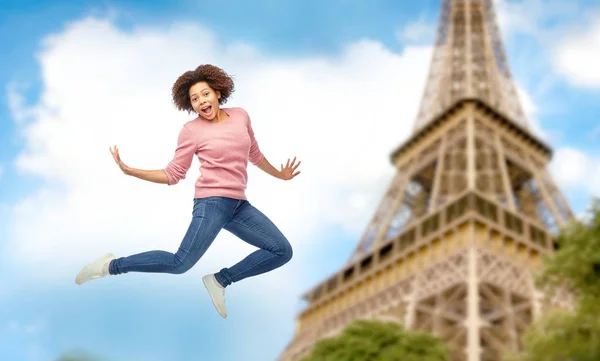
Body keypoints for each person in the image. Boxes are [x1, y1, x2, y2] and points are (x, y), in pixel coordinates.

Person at [75, 64, 301, 318]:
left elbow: (255, 155)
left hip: (239, 205)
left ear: (217, 92)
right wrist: (131, 170)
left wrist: (280, 175)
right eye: (194, 99)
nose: (201, 101)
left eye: (205, 94)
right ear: (190, 104)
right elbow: (173, 174)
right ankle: (110, 266)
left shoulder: (240, 115)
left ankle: (219, 280)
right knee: (180, 263)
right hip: (211, 203)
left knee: (282, 250)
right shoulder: (191, 131)